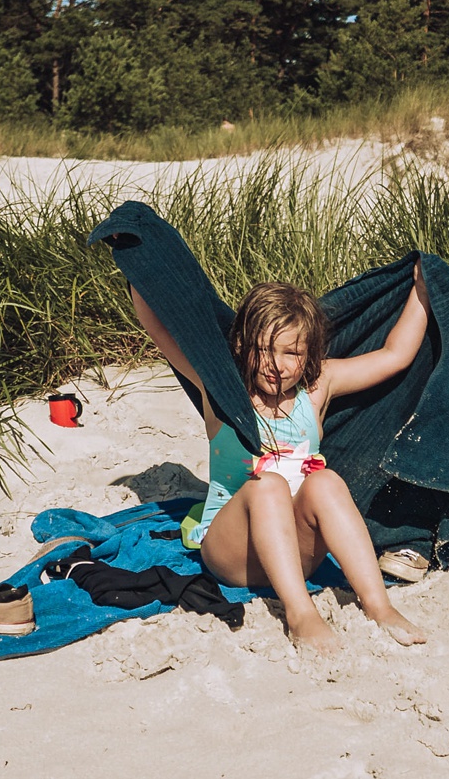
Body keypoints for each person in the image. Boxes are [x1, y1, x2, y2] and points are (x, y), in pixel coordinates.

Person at [131, 274, 430, 653]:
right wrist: (138, 263)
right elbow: (160, 330)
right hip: (232, 554)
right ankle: (300, 613)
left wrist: (423, 287)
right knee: (269, 485)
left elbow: (394, 356)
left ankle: (379, 605)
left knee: (327, 481)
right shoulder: (224, 390)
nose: (277, 365)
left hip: (297, 553)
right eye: (264, 349)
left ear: (309, 354)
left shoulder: (318, 387)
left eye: (292, 353)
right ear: (241, 346)